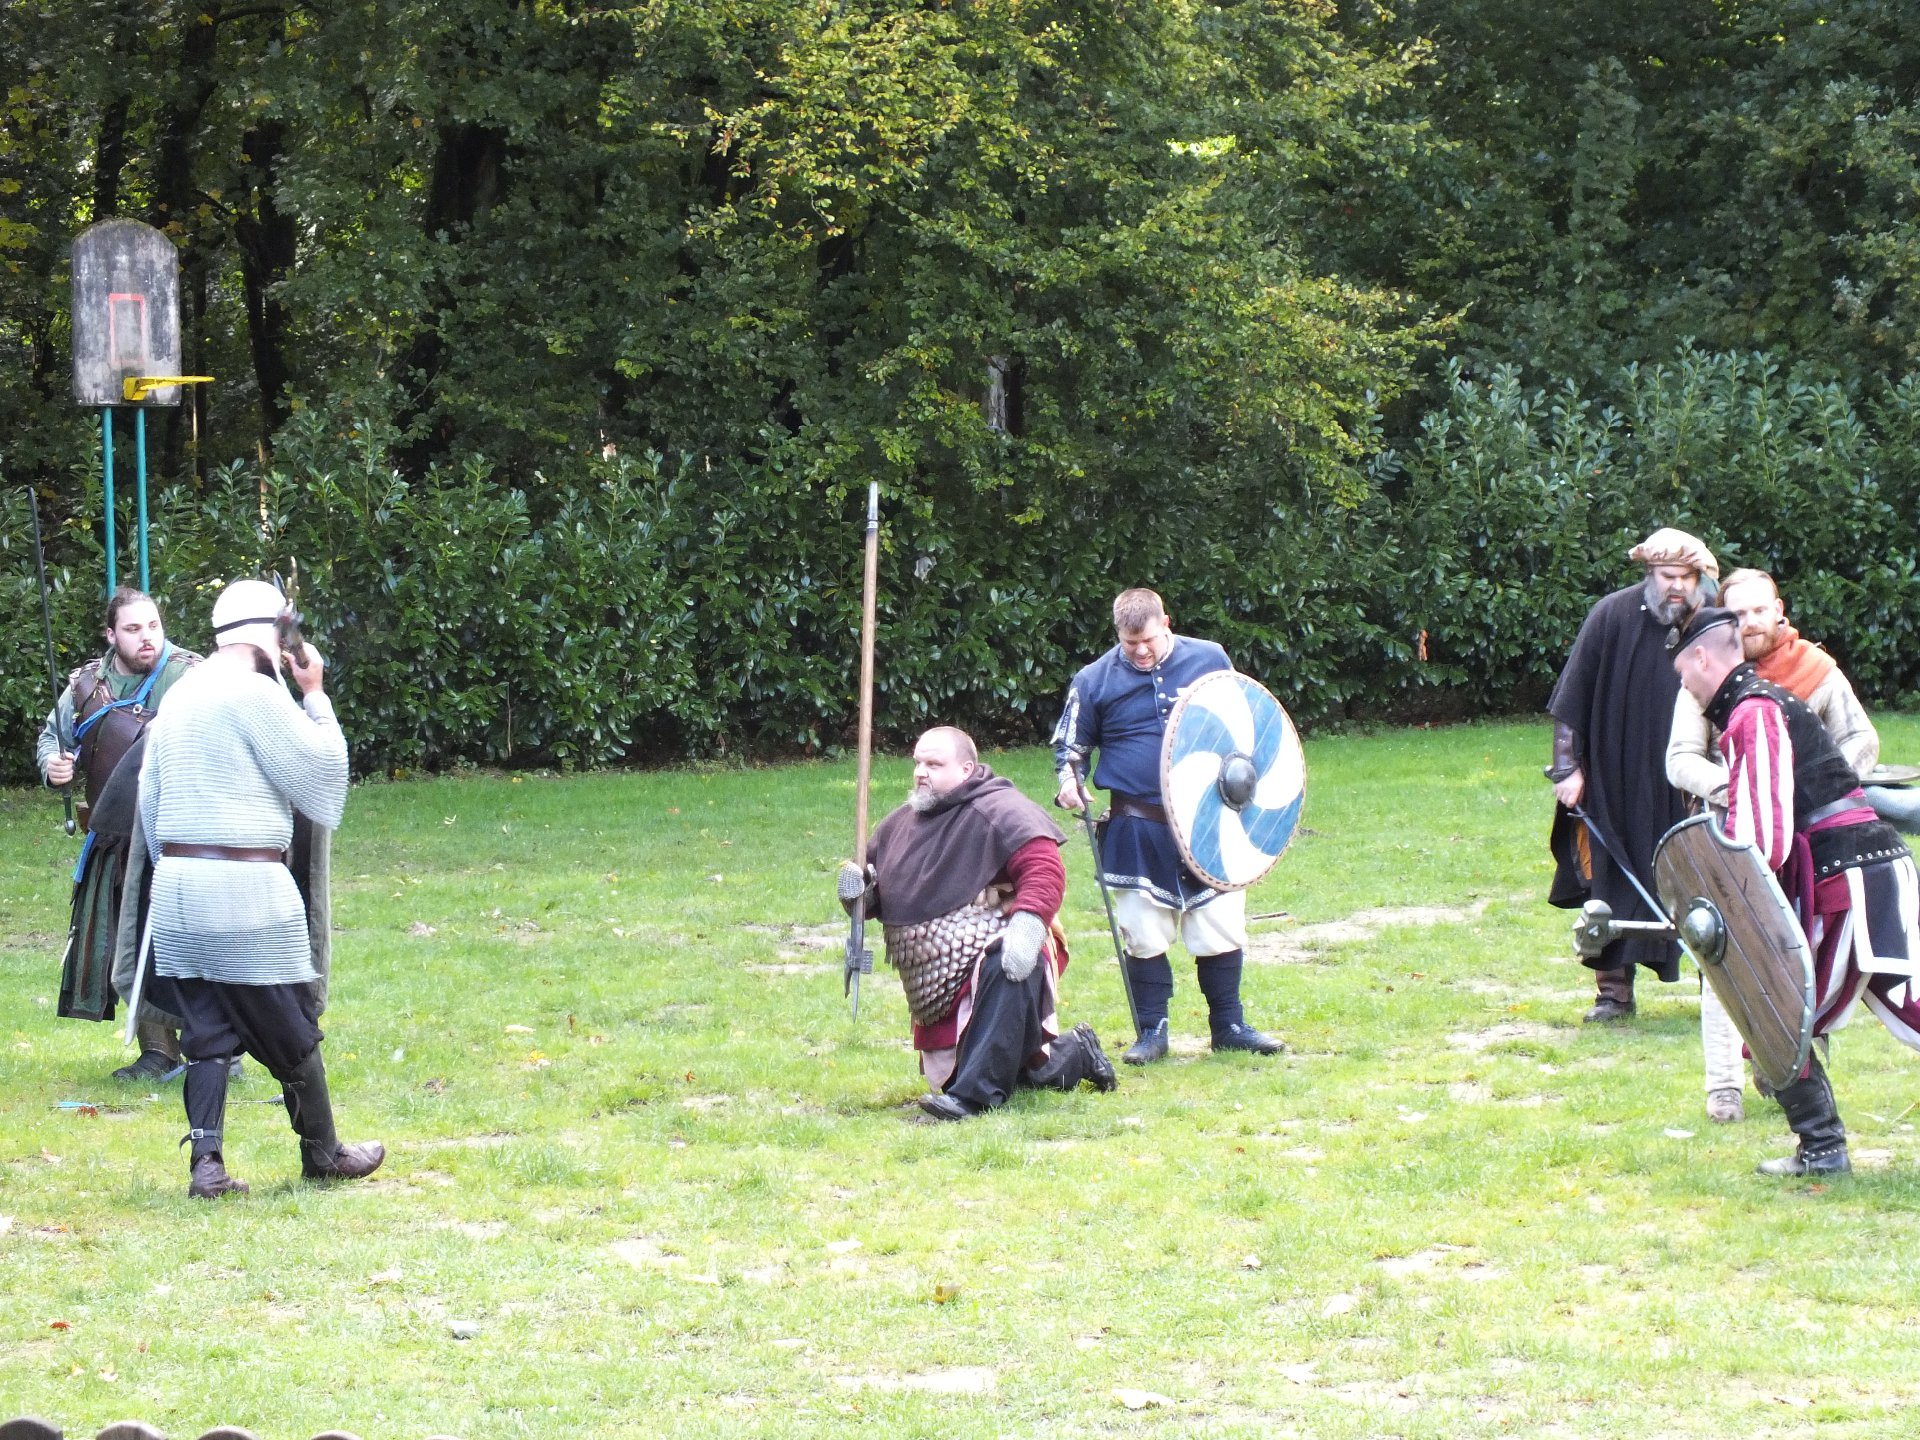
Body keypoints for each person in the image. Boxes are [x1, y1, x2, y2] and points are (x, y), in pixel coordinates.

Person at [136, 579, 381, 1197]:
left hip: (178, 891)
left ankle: (207, 1166)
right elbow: (324, 776)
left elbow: (150, 805)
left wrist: (179, 871)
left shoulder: (181, 693)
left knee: (207, 1031)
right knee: (291, 1027)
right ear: (270, 635)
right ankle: (323, 1153)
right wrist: (315, 695)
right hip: (244, 892)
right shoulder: (256, 694)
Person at [1669, 605, 1920, 1176]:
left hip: (1847, 878)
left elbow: (1763, 837)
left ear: (1702, 659)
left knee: (1774, 1012)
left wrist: (1731, 904)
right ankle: (1821, 1149)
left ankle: (1823, 1150)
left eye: (1684, 673)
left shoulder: (1752, 712)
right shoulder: (1760, 703)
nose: (1685, 687)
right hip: (1867, 868)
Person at [1050, 588, 1283, 1064]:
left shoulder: (1209, 658)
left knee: (1219, 925)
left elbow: (1243, 718)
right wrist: (1069, 782)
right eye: (1130, 642)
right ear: (1118, 633)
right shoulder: (1094, 680)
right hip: (1137, 823)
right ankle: (1151, 1032)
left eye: (1149, 640)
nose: (1141, 651)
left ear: (1167, 623)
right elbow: (1071, 747)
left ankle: (1229, 1025)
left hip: (1211, 818)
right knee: (1144, 930)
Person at [839, 726, 1116, 1120]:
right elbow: (879, 893)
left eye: (934, 764)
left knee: (1007, 965)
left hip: (993, 947)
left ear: (966, 768)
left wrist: (1027, 928)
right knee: (1000, 1066)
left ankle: (973, 1099)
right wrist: (860, 892)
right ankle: (1074, 1053)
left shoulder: (1001, 810)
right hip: (936, 973)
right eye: (918, 762)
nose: (921, 772)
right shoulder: (899, 825)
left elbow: (1044, 869)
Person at [1547, 528, 1716, 1023]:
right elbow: (1572, 697)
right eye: (1667, 576)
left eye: (1687, 577)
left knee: (1707, 879)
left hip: (1692, 778)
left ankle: (1720, 991)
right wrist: (1567, 767)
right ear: (1649, 574)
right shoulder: (1611, 614)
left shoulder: (1712, 621)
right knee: (1612, 878)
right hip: (1616, 775)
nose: (1677, 586)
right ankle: (1614, 993)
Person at [35, 588, 200, 1081]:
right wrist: (54, 765)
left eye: (153, 625)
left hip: (182, 836)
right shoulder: (88, 685)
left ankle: (219, 1050)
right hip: (114, 838)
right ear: (111, 635)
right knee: (127, 943)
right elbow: (54, 736)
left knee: (188, 942)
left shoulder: (194, 677)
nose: (147, 637)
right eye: (132, 629)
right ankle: (158, 1052)